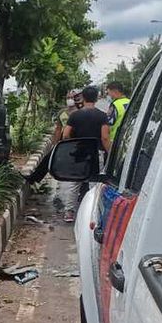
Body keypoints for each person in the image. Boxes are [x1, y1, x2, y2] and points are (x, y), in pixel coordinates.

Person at [60, 85, 110, 222]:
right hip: (95, 153)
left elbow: (65, 135)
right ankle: (93, 213)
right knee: (94, 183)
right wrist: (109, 152)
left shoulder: (75, 115)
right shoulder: (102, 116)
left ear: (83, 97)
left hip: (79, 152)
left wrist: (73, 145)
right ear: (96, 98)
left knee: (75, 182)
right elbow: (105, 137)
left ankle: (69, 212)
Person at [25, 89, 83, 184]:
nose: (70, 100)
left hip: (78, 141)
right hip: (65, 140)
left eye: (72, 98)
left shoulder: (81, 112)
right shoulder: (62, 113)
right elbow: (58, 129)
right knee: (49, 159)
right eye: (68, 98)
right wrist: (55, 144)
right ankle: (33, 178)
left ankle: (83, 186)